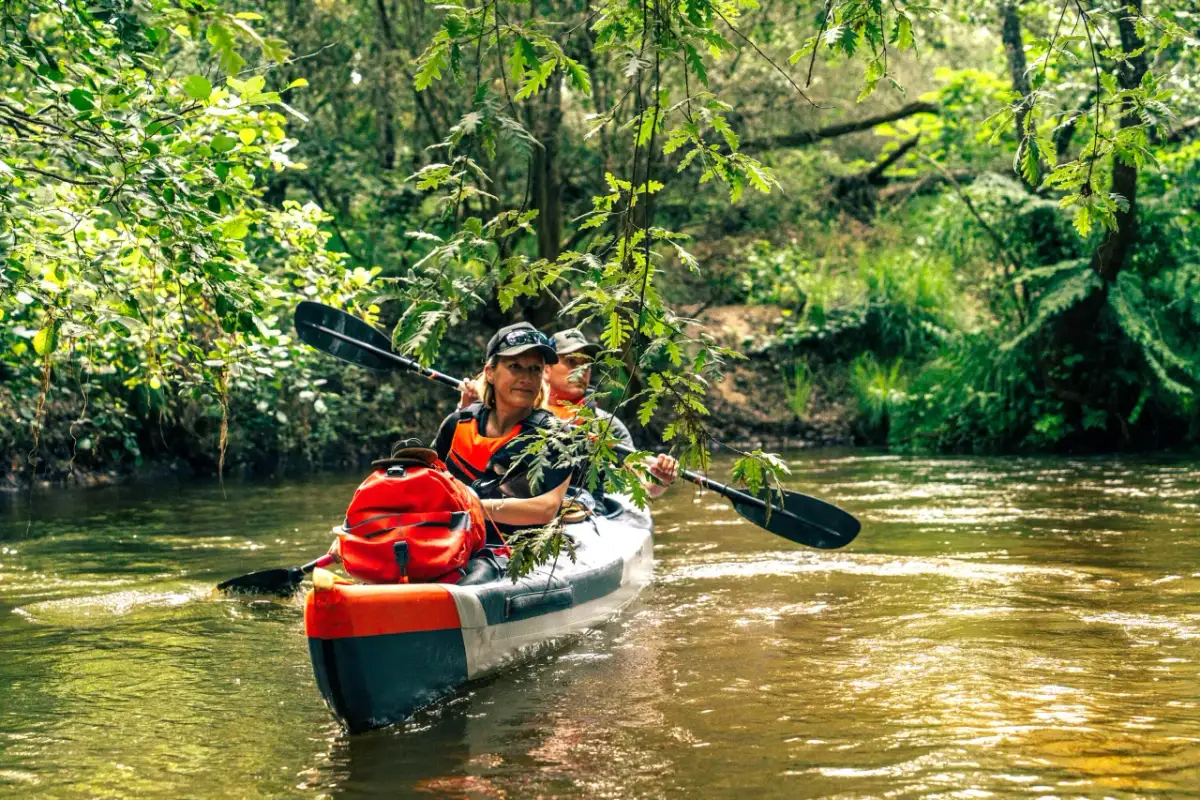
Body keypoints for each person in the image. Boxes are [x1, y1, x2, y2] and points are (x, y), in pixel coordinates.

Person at [435, 322, 573, 546]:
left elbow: (546, 508)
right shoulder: (457, 424)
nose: (526, 378)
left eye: (535, 369)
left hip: (520, 548)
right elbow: (429, 481)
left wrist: (468, 506)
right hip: (455, 541)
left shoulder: (556, 435)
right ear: (490, 373)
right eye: (515, 366)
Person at [544, 328, 678, 499]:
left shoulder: (608, 425)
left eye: (586, 364)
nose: (581, 370)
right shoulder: (523, 414)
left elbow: (642, 488)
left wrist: (660, 479)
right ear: (546, 369)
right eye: (571, 362)